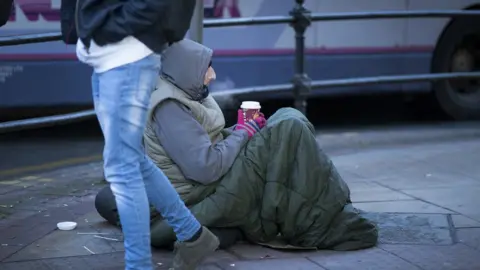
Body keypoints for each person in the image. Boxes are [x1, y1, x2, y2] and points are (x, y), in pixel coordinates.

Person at [96, 39, 378, 251]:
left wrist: (242, 131)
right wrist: (244, 132)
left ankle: (327, 207)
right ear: (188, 71)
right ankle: (321, 221)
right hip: (200, 190)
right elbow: (205, 168)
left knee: (286, 118)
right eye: (207, 68)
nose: (213, 75)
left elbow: (204, 144)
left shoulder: (182, 91)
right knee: (289, 127)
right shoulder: (169, 107)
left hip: (210, 177)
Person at [70, 0, 220, 269]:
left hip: (125, 53)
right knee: (132, 160)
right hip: (110, 52)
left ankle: (139, 265)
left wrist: (108, 29)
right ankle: (192, 235)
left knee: (122, 167)